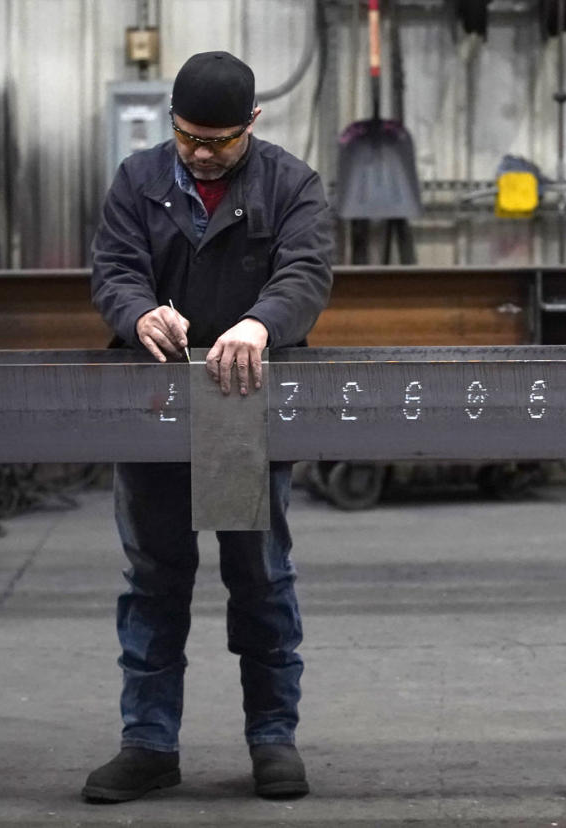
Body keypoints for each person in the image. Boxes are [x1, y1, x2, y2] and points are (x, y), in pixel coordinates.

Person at [83, 51, 333, 802]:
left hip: (242, 406)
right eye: (189, 135)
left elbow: (307, 272)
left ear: (251, 123)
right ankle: (149, 744)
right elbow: (114, 269)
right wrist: (137, 313)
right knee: (155, 579)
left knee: (258, 579)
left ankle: (272, 739)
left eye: (219, 140)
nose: (200, 152)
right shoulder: (139, 180)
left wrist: (261, 324)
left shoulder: (291, 184)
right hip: (157, 406)